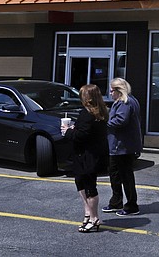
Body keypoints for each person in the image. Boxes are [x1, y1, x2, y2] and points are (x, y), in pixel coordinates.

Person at [62, 83, 109, 233]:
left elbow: (82, 135)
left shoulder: (87, 114)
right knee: (81, 182)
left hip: (86, 155)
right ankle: (88, 213)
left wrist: (68, 131)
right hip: (92, 154)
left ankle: (94, 218)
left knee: (89, 186)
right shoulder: (101, 113)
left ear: (87, 97)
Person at [103, 77, 143, 216]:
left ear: (119, 91)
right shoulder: (131, 100)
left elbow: (121, 120)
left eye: (112, 90)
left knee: (124, 175)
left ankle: (131, 205)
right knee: (116, 174)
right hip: (122, 145)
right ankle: (116, 202)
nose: (110, 93)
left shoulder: (124, 103)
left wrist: (105, 121)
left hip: (122, 146)